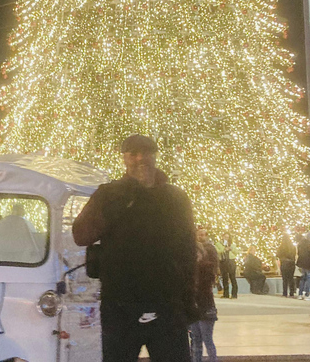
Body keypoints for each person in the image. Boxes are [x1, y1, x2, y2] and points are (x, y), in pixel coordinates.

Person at [73, 134, 197, 362]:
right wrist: (120, 201)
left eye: (146, 153)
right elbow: (81, 235)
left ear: (155, 156)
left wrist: (189, 301)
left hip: (166, 305)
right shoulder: (108, 194)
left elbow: (188, 251)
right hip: (121, 306)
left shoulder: (175, 198)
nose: (141, 159)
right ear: (124, 158)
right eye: (133, 153)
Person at [190, 228, 218, 362]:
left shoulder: (205, 269)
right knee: (195, 342)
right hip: (194, 307)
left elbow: (204, 286)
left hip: (205, 308)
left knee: (207, 341)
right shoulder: (190, 269)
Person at [216, 232, 240, 299]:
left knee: (232, 278)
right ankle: (226, 294)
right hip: (223, 261)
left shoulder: (232, 245)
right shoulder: (218, 244)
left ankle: (234, 294)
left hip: (230, 261)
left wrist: (231, 249)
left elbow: (236, 252)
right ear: (222, 237)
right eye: (225, 237)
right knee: (224, 278)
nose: (226, 238)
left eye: (227, 237)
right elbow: (217, 251)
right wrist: (224, 249)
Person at [296, 233, 310, 300]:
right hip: (309, 264)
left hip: (302, 264)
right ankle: (307, 294)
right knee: (309, 279)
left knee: (302, 279)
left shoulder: (300, 244)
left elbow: (299, 254)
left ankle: (300, 294)